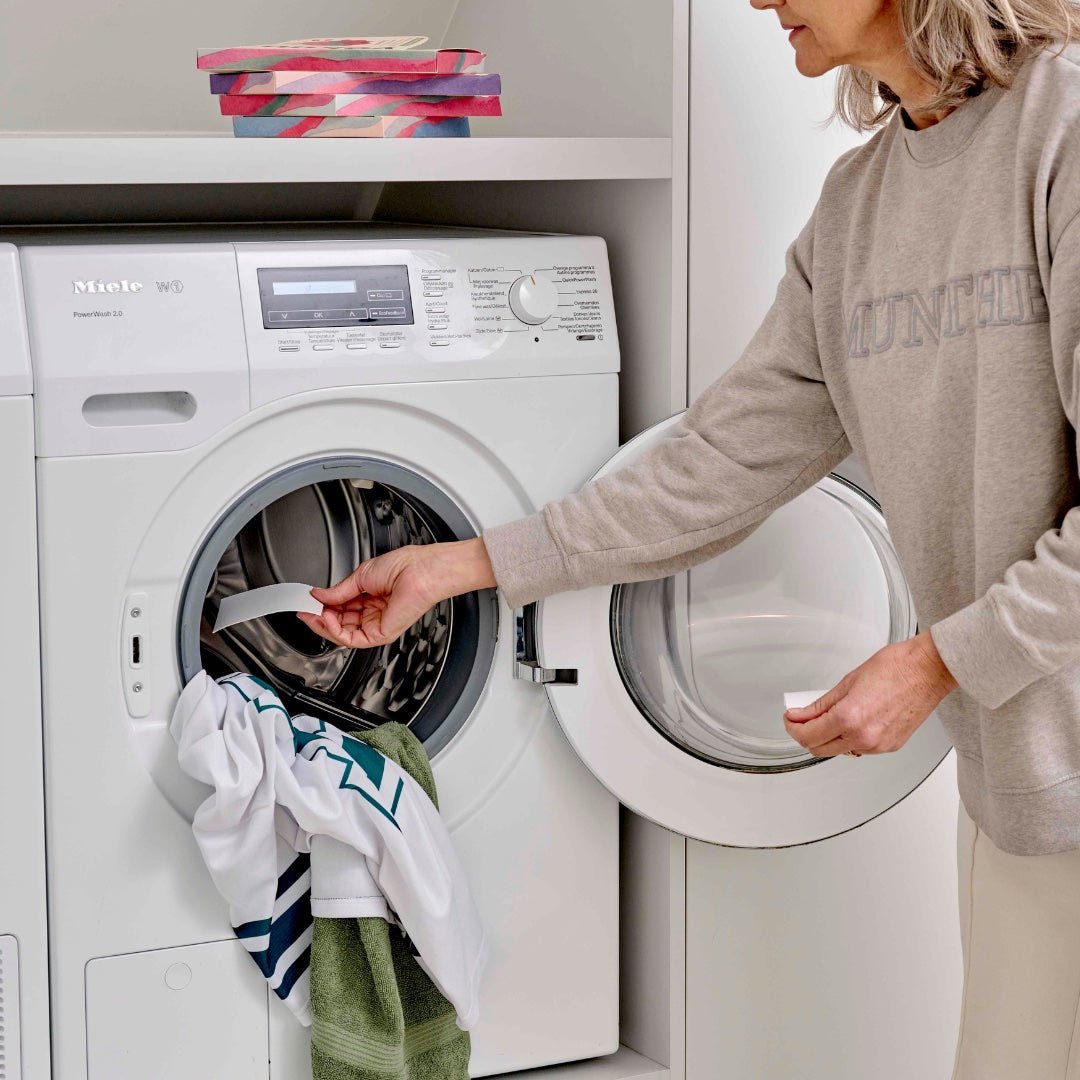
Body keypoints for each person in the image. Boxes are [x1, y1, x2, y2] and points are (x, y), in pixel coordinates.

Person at [297, 3, 1080, 1077]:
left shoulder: (1063, 128)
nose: (758, 0)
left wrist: (936, 660)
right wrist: (462, 566)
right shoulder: (861, 209)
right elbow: (718, 463)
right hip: (1029, 772)